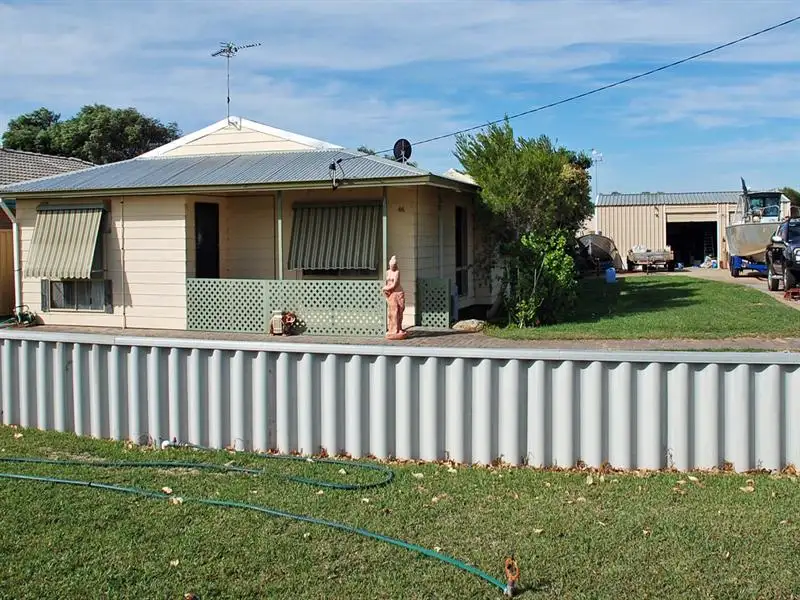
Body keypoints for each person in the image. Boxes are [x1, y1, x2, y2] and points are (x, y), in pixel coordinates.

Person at [383, 255, 407, 339]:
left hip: (397, 293)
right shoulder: (387, 272)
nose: (392, 267)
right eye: (391, 265)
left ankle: (398, 328)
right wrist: (386, 289)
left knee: (399, 311)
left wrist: (386, 288)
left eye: (393, 265)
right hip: (391, 294)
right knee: (392, 313)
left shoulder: (397, 272)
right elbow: (386, 282)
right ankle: (392, 329)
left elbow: (395, 284)